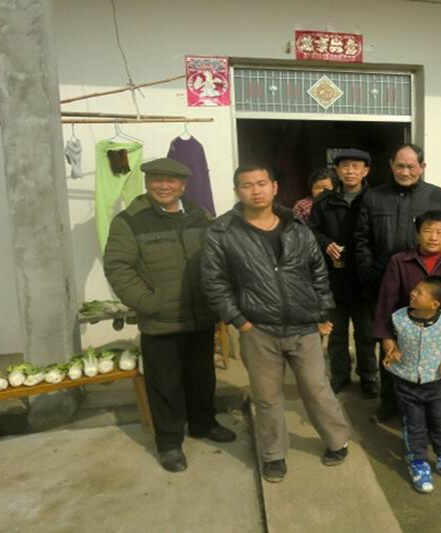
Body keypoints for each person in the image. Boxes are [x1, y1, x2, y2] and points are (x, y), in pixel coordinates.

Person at [201, 164, 351, 484]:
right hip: (258, 328)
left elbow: (318, 271)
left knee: (317, 388)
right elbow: (215, 282)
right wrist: (239, 321)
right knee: (267, 397)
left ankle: (337, 440)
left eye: (261, 183)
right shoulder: (222, 232)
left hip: (303, 326)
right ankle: (273, 455)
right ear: (237, 191)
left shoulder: (297, 227)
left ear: (274, 187)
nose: (255, 190)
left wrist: (323, 312)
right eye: (247, 185)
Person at [103, 157, 235, 473]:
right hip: (160, 319)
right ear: (147, 183)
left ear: (183, 185)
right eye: (156, 180)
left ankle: (203, 423)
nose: (163, 186)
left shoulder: (199, 215)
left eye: (171, 180)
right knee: (164, 385)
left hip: (200, 315)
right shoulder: (130, 220)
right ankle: (169, 443)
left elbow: (218, 256)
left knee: (202, 376)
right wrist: (148, 303)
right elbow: (118, 267)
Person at [355, 143, 441, 422]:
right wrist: (369, 273)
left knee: (427, 348)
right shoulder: (374, 197)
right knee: (389, 343)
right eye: (400, 166)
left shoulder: (438, 197)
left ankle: (428, 410)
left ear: (422, 167)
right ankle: (389, 404)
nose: (405, 171)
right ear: (391, 165)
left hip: (426, 289)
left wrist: (440, 283)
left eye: (411, 166)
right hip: (385, 284)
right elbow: (361, 238)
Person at [372, 210, 441, 459]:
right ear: (418, 234)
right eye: (428, 230)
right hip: (407, 339)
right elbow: (386, 303)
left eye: (440, 232)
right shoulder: (400, 262)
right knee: (409, 393)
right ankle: (415, 441)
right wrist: (388, 340)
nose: (433, 237)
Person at [384, 276, 441, 493]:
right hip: (406, 383)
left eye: (420, 292)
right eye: (414, 289)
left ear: (434, 304)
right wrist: (390, 349)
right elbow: (387, 336)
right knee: (414, 425)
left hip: (435, 383)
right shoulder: (398, 317)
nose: (413, 293)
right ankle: (418, 462)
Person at [307, 149, 378, 397]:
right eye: (345, 166)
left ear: (365, 171)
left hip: (364, 278)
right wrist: (326, 243)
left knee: (366, 334)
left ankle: (369, 376)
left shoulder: (376, 199)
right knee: (336, 333)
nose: (350, 171)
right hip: (333, 277)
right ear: (336, 170)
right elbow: (310, 231)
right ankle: (340, 375)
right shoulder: (324, 201)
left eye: (356, 166)